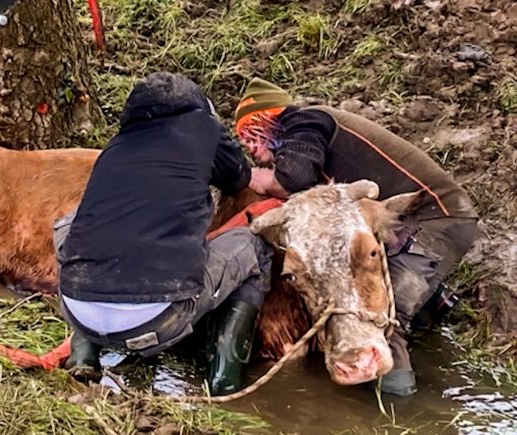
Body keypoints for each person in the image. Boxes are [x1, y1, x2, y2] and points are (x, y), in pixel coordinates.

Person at [232, 78, 479, 396]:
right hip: (409, 221)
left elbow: (294, 177)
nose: (250, 148)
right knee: (364, 279)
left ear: (270, 119)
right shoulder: (310, 136)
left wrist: (258, 179)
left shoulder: (305, 120)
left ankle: (396, 407)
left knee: (389, 314)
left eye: (251, 135)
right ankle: (432, 305)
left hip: (436, 219)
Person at [53, 72, 273, 395]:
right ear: (199, 107)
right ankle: (224, 378)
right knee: (255, 245)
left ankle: (83, 354)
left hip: (76, 310)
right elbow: (237, 179)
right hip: (158, 320)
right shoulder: (205, 129)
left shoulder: (116, 146)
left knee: (69, 224)